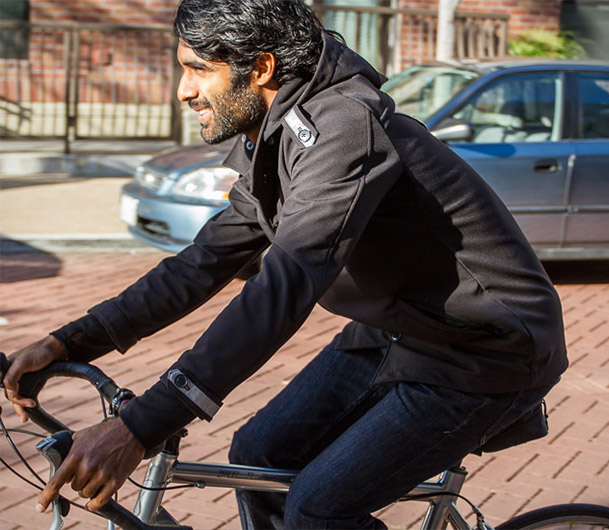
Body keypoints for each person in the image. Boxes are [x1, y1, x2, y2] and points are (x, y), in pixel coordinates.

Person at [2, 0, 568, 527]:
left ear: (262, 68)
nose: (183, 90)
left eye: (199, 69)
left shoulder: (344, 131)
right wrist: (70, 342)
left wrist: (144, 423)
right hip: (396, 331)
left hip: (485, 351)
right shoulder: (277, 140)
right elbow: (201, 263)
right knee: (259, 459)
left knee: (318, 510)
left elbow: (287, 284)